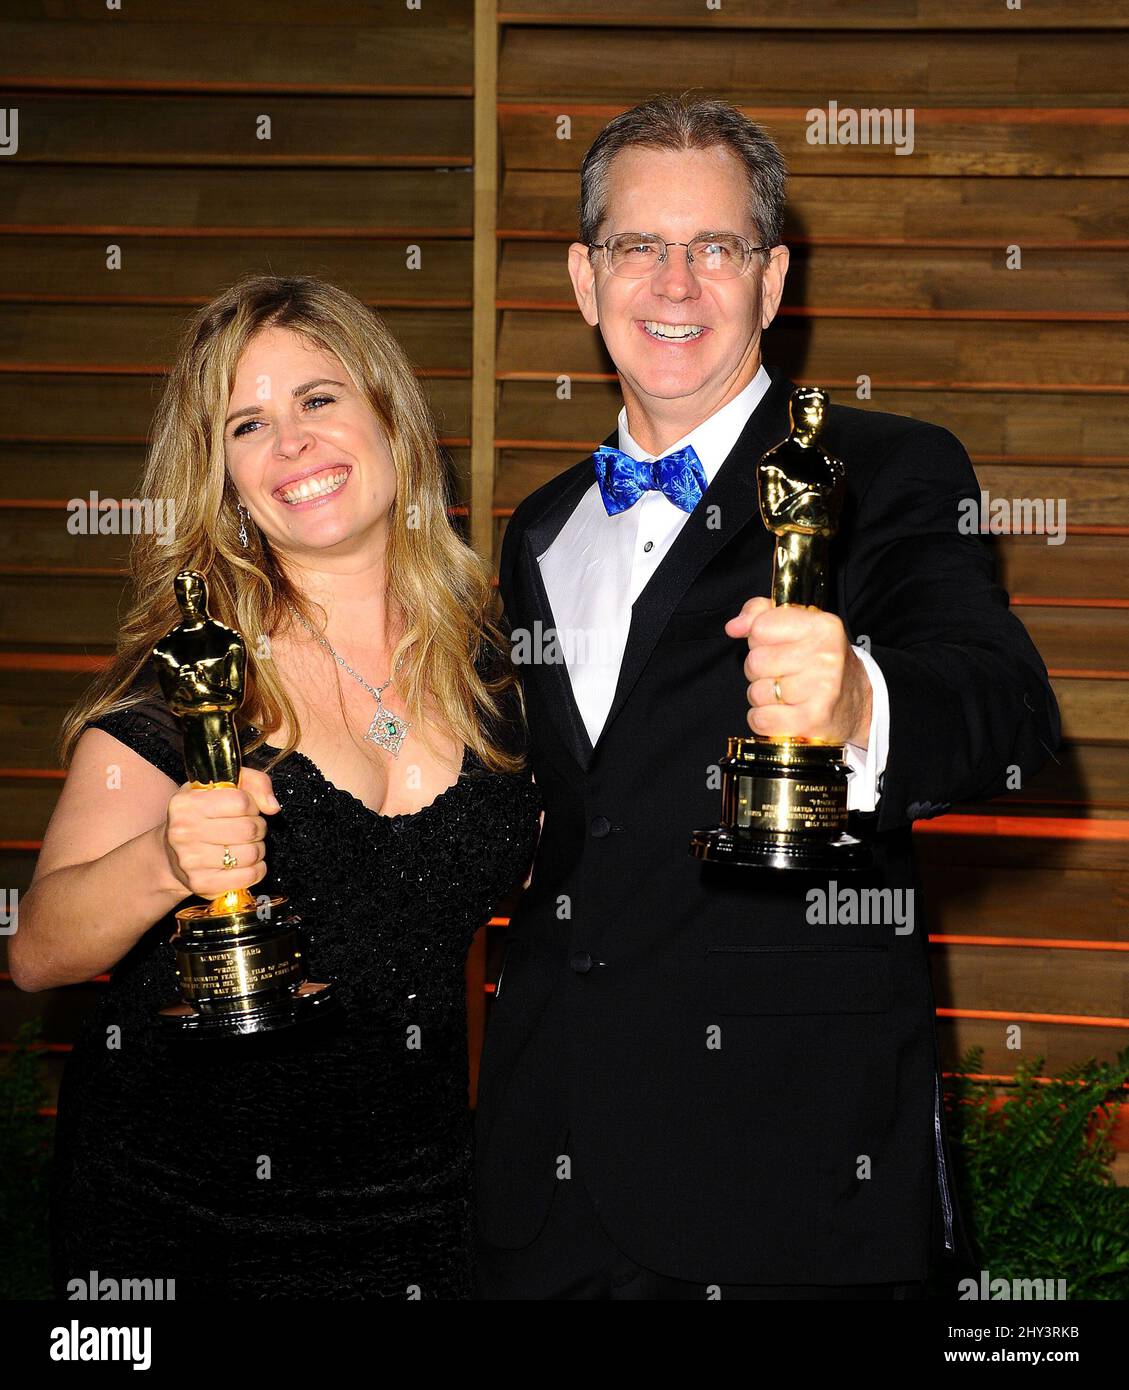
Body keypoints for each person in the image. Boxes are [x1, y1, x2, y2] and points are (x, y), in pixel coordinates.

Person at [473, 94, 1061, 1299]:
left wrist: (860, 707)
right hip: (544, 1184)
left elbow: (1004, 705)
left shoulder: (891, 468)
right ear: (585, 279)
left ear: (773, 276)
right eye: (639, 245)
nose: (675, 282)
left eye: (718, 247)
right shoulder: (536, 528)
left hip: (785, 1183)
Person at [11, 274, 541, 1300]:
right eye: (246, 423)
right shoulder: (192, 679)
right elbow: (38, 950)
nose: (290, 441)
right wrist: (164, 857)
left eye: (318, 398)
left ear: (389, 413)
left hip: (424, 1202)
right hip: (180, 1217)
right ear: (223, 479)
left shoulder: (505, 660)